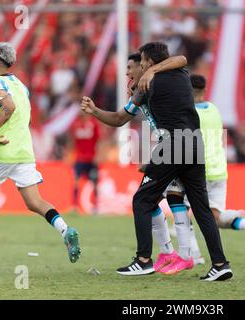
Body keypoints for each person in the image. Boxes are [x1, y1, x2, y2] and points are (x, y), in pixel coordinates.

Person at [0, 42, 81, 271]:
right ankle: (65, 229)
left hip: (1, 151)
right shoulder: (21, 85)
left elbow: (9, 105)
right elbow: (22, 115)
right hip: (24, 151)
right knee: (34, 202)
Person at [122, 42, 232, 281]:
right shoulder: (182, 76)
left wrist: (95, 111)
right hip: (194, 145)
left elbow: (121, 117)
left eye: (141, 62)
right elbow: (181, 58)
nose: (138, 66)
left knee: (143, 199)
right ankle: (220, 264)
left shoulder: (148, 83)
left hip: (173, 147)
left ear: (150, 62)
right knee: (201, 208)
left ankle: (143, 260)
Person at [81, 52, 188, 271]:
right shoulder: (141, 92)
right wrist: (94, 111)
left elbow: (182, 59)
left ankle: (153, 259)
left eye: (131, 68)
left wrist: (152, 71)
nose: (127, 72)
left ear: (144, 67)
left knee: (148, 200)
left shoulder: (157, 83)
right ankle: (172, 254)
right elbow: (120, 118)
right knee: (157, 200)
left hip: (178, 147)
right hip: (172, 148)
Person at [156, 74, 245, 275]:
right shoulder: (214, 109)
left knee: (182, 209)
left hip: (199, 170)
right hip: (219, 170)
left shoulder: (188, 112)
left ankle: (195, 255)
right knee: (214, 218)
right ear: (204, 90)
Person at [69, 112, 100, 214]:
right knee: (75, 181)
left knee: (94, 182)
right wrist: (71, 155)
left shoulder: (94, 124)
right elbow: (72, 141)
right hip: (79, 159)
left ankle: (96, 206)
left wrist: (98, 155)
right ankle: (74, 206)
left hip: (91, 159)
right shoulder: (76, 125)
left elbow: (99, 140)